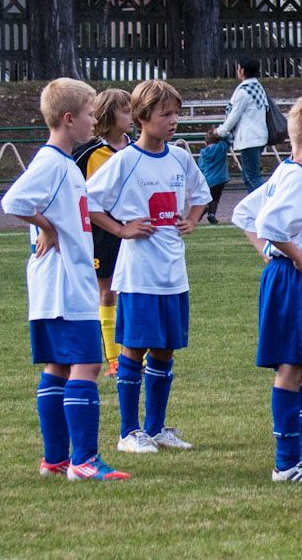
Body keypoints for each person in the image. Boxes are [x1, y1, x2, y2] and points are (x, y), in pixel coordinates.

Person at [1, 78, 130, 480]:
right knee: (87, 365)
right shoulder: (52, 163)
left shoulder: (63, 163)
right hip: (64, 284)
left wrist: (48, 224)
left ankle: (55, 460)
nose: (94, 120)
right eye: (90, 114)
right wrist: (47, 227)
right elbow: (13, 200)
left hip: (56, 285)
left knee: (58, 366)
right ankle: (85, 461)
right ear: (69, 118)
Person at [87, 79, 212, 455]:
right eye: (165, 114)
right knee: (134, 349)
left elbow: (201, 194)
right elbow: (89, 200)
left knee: (165, 350)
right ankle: (129, 432)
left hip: (173, 272)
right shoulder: (126, 160)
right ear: (142, 117)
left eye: (176, 113)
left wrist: (192, 219)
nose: (173, 120)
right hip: (139, 273)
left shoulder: (181, 158)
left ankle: (156, 428)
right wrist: (121, 229)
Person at [231, 96, 302, 484]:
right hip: (294, 280)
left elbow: (244, 214)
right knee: (292, 367)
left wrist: (270, 253)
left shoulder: (286, 172)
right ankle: (286, 464)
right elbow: (270, 225)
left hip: (295, 278)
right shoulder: (296, 178)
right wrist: (294, 256)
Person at [73, 88, 132, 378]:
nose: (132, 116)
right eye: (126, 111)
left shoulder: (137, 149)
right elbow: (73, 195)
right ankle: (114, 359)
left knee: (134, 290)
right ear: (109, 115)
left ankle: (136, 355)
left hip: (136, 229)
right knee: (107, 292)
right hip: (101, 234)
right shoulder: (87, 153)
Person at [217, 57, 268, 192]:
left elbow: (234, 116)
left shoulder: (243, 92)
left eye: (238, 68)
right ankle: (259, 202)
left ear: (242, 71)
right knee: (249, 176)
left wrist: (220, 131)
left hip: (249, 138)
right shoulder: (258, 88)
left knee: (251, 177)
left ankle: (268, 200)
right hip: (260, 136)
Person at [197, 129, 231, 225]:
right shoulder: (221, 148)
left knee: (206, 197)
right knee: (215, 198)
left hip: (207, 179)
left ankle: (202, 209)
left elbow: (200, 167)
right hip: (220, 179)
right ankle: (211, 214)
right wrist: (220, 132)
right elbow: (228, 138)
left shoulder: (203, 153)